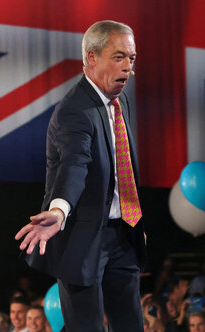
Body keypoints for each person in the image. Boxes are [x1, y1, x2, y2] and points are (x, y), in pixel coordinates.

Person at [16, 20, 145, 331]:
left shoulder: (120, 98)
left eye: (132, 58)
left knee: (131, 325)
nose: (128, 68)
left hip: (122, 234)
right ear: (92, 58)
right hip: (81, 239)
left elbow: (119, 169)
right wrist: (58, 211)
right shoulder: (75, 110)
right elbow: (75, 165)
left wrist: (133, 220)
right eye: (118, 57)